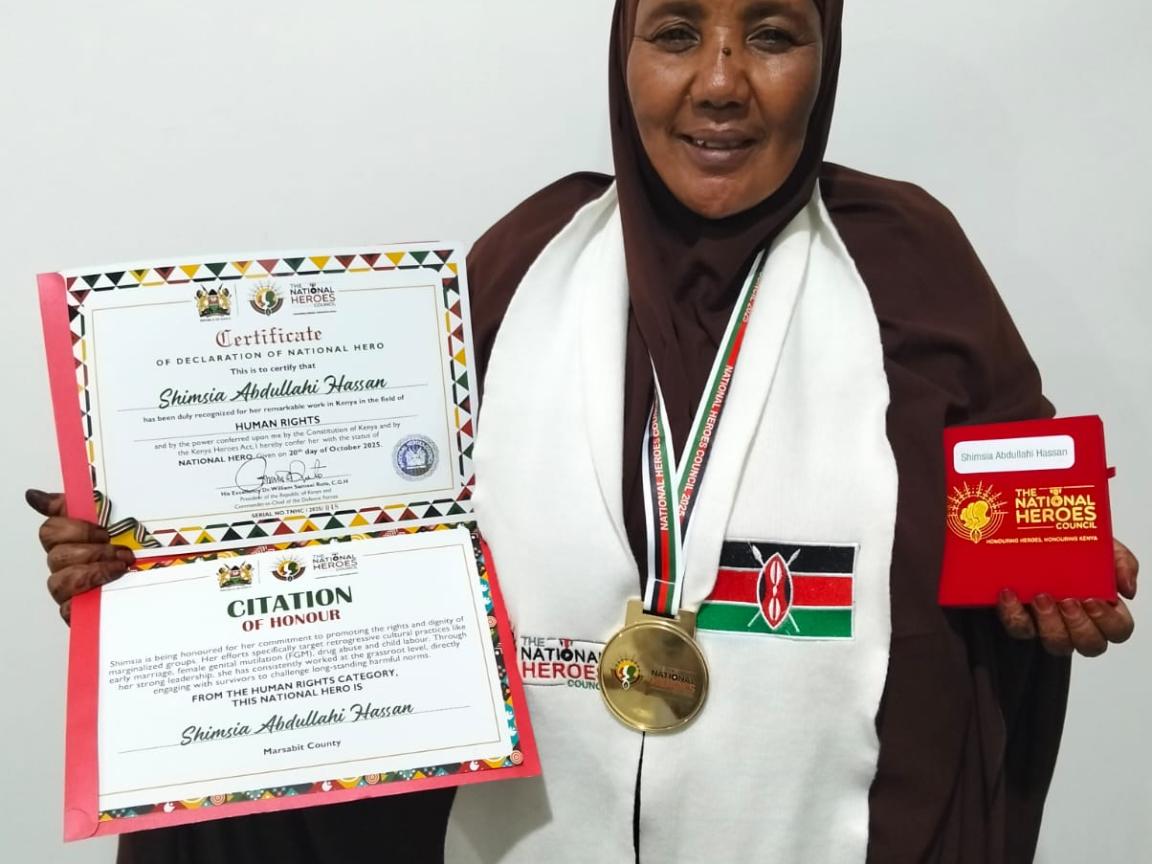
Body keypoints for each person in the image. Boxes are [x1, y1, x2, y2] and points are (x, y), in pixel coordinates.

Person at [27, 1, 1138, 862]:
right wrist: (157, 565)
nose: (719, 84)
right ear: (622, 55)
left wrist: (1047, 577)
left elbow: (1012, 523)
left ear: (826, 56)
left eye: (771, 35)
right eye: (673, 33)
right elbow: (357, 547)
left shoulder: (908, 267)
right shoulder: (525, 263)